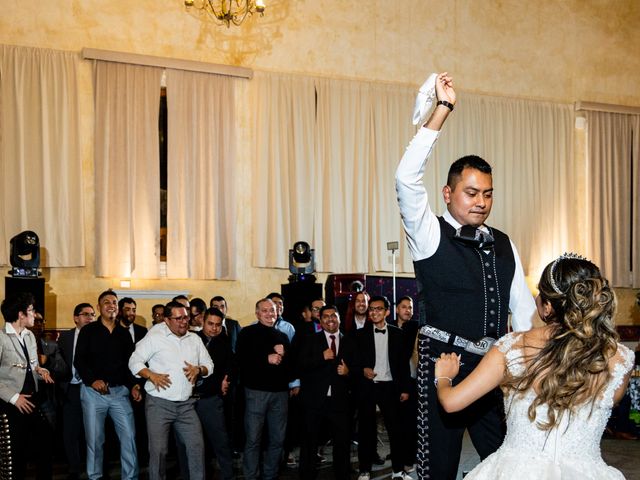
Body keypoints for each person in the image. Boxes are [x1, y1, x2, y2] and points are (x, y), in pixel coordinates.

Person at [395, 72, 536, 479]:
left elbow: (524, 316)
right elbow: (406, 178)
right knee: (439, 468)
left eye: (488, 193)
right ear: (448, 193)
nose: (481, 202)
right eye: (471, 193)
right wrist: (442, 110)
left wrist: (526, 372)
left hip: (493, 367)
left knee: (504, 463)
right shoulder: (428, 232)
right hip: (443, 364)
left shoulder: (506, 243)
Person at [434, 254, 634, 479]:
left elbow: (451, 403)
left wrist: (444, 376)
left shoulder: (511, 348)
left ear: (548, 307)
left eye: (539, 293)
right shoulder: (620, 359)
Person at [128, 300, 213, 480]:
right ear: (167, 320)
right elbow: (134, 361)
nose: (184, 322)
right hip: (159, 405)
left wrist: (199, 370)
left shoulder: (195, 339)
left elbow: (209, 365)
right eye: (178, 318)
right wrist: (151, 375)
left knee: (197, 447)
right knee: (158, 452)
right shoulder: (155, 338)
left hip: (187, 407)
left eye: (186, 317)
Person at [74, 290, 142, 480]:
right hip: (93, 394)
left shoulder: (124, 334)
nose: (111, 305)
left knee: (129, 437)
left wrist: (135, 385)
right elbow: (79, 360)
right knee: (95, 441)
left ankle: (130, 477)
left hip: (120, 393)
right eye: (106, 302)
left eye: (114, 302)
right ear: (99, 307)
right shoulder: (88, 331)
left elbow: (131, 364)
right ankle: (95, 476)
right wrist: (92, 380)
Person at [352, 296, 411, 480]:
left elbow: (403, 365)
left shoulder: (397, 334)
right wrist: (363, 369)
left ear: (386, 311)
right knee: (366, 430)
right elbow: (353, 361)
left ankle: (398, 470)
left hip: (390, 386)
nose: (374, 312)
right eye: (371, 309)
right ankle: (364, 469)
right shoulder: (360, 335)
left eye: (378, 309)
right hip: (367, 387)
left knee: (395, 430)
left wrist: (405, 389)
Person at [236, 298, 293, 480]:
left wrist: (285, 355)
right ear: (257, 313)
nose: (270, 314)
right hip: (256, 393)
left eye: (273, 310)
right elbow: (241, 361)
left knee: (278, 439)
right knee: (253, 439)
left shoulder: (282, 336)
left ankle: (270, 475)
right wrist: (265, 358)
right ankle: (251, 476)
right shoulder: (247, 333)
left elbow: (292, 368)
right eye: (265, 310)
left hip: (280, 394)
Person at [0, 292, 55, 480]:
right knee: (14, 456)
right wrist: (15, 398)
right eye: (31, 310)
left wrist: (40, 371)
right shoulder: (1, 337)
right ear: (21, 314)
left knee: (45, 445)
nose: (34, 314)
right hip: (9, 404)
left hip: (33, 400)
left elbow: (31, 365)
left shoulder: (30, 336)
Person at [298, 305, 352, 480]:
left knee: (342, 443)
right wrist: (320, 357)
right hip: (314, 401)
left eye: (334, 316)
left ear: (339, 319)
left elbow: (358, 371)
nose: (330, 319)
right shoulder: (310, 339)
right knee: (309, 443)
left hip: (340, 401)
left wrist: (348, 372)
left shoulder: (348, 341)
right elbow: (301, 366)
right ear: (320, 321)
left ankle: (342, 476)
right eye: (326, 316)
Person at [194, 307, 235, 480]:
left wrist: (227, 379)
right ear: (202, 321)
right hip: (187, 400)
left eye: (218, 325)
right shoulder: (191, 339)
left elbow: (232, 366)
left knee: (221, 442)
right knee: (193, 445)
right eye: (210, 324)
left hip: (211, 400)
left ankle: (228, 476)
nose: (214, 328)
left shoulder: (224, 343)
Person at [58, 302, 95, 480]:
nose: (90, 318)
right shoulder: (64, 337)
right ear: (75, 318)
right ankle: (73, 468)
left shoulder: (98, 336)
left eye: (92, 315)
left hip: (92, 389)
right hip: (70, 389)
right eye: (86, 314)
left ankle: (93, 467)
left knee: (93, 431)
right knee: (70, 431)